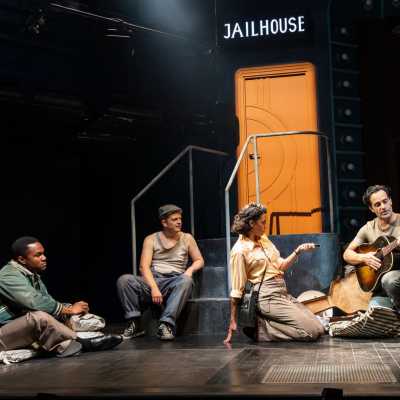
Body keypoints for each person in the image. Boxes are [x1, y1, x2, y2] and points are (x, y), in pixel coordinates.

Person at [0, 236, 122, 358]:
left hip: (17, 327)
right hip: (3, 332)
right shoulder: (7, 276)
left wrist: (68, 311)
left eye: (43, 254)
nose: (44, 258)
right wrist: (69, 310)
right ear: (22, 259)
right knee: (38, 318)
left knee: (82, 317)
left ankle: (68, 337)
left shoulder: (31, 274)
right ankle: (82, 342)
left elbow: (48, 301)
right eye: (38, 255)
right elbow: (35, 302)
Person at [224, 203, 324, 343]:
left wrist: (298, 251)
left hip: (281, 291)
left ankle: (267, 325)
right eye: (263, 223)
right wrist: (232, 321)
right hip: (267, 296)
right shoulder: (239, 250)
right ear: (252, 223)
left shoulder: (263, 239)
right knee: (311, 332)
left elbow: (281, 265)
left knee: (319, 328)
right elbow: (236, 290)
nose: (265, 226)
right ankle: (263, 331)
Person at [117, 204, 204, 340]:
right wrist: (153, 288)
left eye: (180, 219)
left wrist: (190, 270)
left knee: (186, 281)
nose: (179, 222)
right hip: (154, 280)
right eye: (174, 219)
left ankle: (165, 325)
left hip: (174, 280)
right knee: (125, 280)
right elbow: (143, 267)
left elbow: (199, 260)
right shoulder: (151, 239)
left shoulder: (187, 238)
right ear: (164, 222)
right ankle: (134, 323)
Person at [343, 184, 400, 309]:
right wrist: (364, 258)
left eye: (385, 201)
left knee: (389, 279)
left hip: (394, 280)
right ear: (371, 209)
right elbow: (347, 254)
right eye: (377, 204)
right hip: (381, 289)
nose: (383, 207)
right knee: (374, 314)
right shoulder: (368, 228)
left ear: (390, 201)